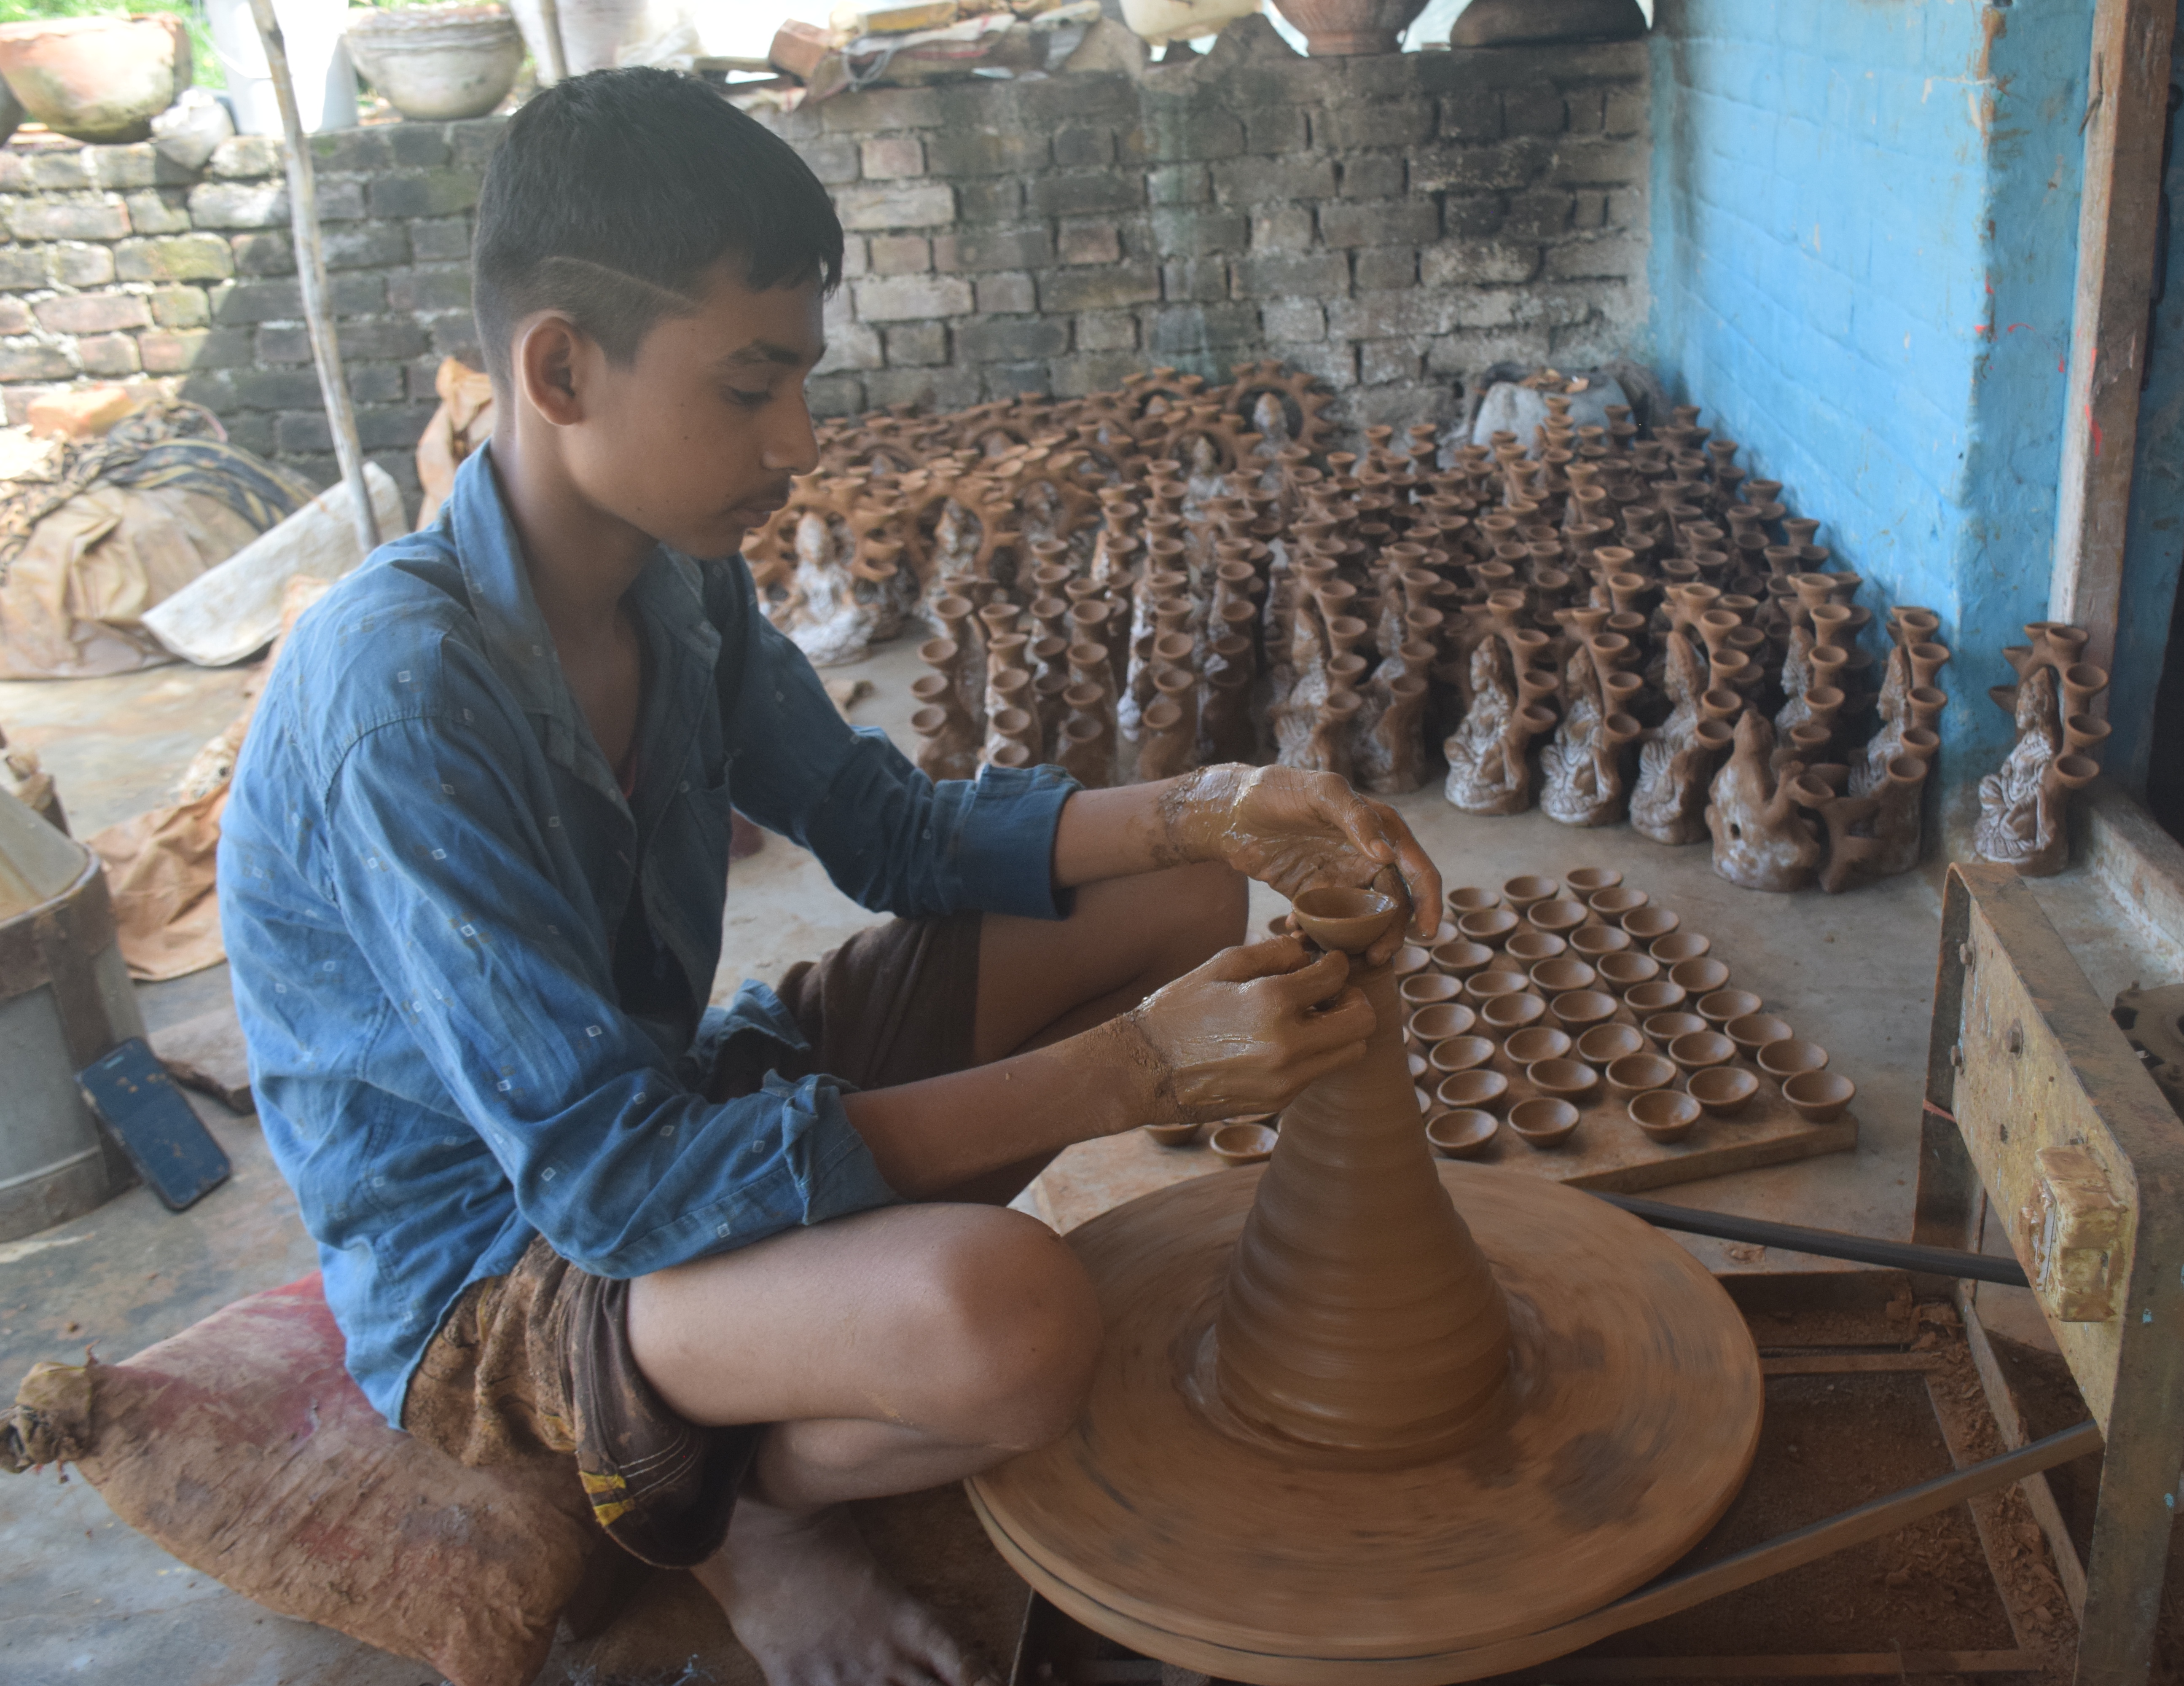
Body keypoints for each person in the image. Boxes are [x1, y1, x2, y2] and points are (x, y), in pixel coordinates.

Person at [217, 67, 1440, 1686]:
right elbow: (613, 1189)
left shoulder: (679, 588)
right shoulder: (402, 698)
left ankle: (793, 1338)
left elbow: (897, 836)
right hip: (504, 1268)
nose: (798, 442)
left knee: (1179, 903)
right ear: (562, 368)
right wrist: (1124, 1076)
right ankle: (740, 1520)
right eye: (749, 386)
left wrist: (1218, 803)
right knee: (1016, 1324)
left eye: (800, 378)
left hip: (671, 1110)